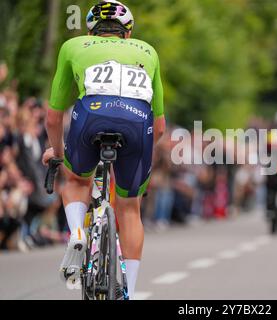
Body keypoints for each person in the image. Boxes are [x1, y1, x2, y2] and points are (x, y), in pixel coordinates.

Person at [41, 0, 165, 299]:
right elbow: (160, 127)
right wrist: (139, 152)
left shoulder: (74, 45)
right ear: (128, 32)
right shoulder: (147, 51)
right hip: (138, 123)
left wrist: (58, 153)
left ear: (91, 30)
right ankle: (130, 293)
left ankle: (78, 233)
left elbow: (52, 117)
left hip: (91, 115)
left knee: (76, 180)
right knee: (129, 207)